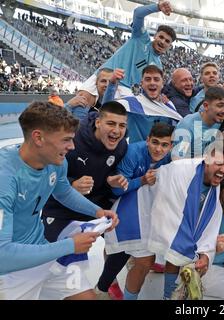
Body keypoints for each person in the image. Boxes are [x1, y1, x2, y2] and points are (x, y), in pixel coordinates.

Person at [0, 102, 118, 300]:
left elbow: (63, 192)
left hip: (42, 250)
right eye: (66, 140)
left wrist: (97, 212)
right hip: (11, 270)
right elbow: (2, 256)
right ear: (38, 137)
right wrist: (69, 246)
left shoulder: (56, 161)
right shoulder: (5, 179)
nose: (71, 147)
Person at [98, 123, 175, 300]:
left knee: (142, 259)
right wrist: (141, 180)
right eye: (155, 142)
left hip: (144, 207)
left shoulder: (171, 158)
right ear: (147, 140)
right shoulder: (133, 152)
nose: (158, 149)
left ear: (171, 146)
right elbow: (116, 190)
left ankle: (111, 284)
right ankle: (108, 283)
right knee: (116, 248)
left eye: (164, 145)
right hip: (112, 202)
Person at [147, 142, 224, 299]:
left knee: (183, 253)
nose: (223, 169)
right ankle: (172, 293)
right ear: (206, 159)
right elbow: (160, 179)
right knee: (173, 251)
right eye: (219, 163)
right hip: (157, 213)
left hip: (185, 224)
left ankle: (172, 294)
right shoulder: (183, 170)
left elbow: (210, 220)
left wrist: (205, 251)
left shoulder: (215, 185)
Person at [79, 1, 176, 99]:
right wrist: (158, 7)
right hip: (103, 76)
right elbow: (138, 13)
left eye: (167, 41)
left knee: (111, 113)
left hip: (124, 91)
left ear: (169, 46)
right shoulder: (141, 38)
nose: (163, 41)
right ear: (155, 36)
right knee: (81, 102)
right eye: (161, 37)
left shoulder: (158, 66)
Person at [104, 65, 182, 143]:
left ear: (162, 83)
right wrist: (112, 83)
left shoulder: (168, 106)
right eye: (148, 79)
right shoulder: (131, 103)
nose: (152, 82)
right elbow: (106, 111)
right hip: (135, 153)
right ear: (142, 83)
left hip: (160, 153)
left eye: (156, 79)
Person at [172, 86, 224, 159]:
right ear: (206, 106)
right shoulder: (188, 126)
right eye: (220, 106)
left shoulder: (217, 119)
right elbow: (177, 159)